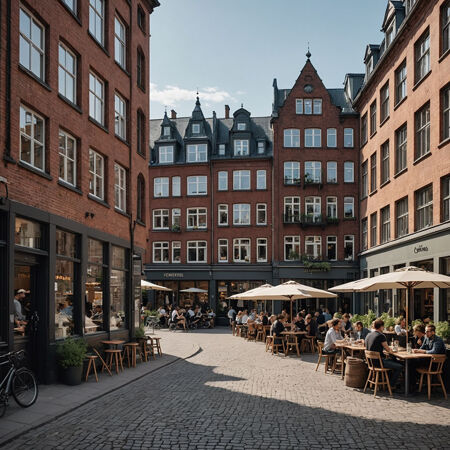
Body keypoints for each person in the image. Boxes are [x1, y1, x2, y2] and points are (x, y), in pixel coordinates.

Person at [365, 319, 403, 390]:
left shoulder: (368, 335)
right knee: (400, 366)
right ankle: (391, 385)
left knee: (393, 361)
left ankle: (387, 382)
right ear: (381, 327)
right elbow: (388, 349)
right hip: (379, 363)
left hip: (370, 362)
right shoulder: (381, 336)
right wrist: (395, 351)